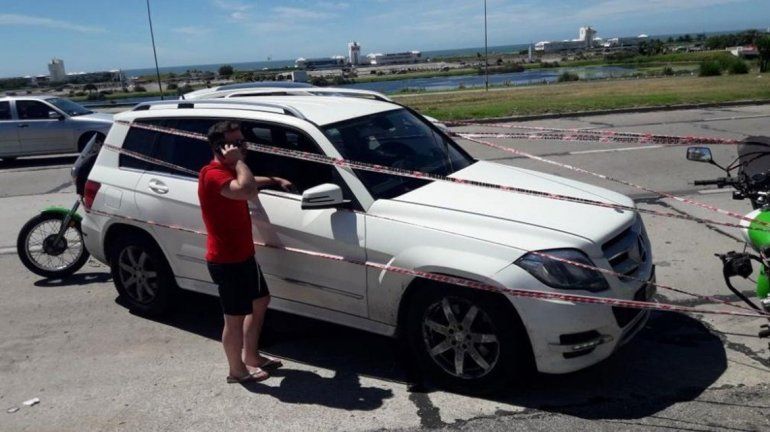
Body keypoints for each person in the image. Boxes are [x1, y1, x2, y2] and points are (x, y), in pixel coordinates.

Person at [198, 120, 294, 384]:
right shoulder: (212, 174)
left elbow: (248, 182)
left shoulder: (226, 171)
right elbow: (247, 189)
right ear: (221, 148)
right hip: (226, 261)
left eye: (243, 141)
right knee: (234, 318)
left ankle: (252, 356)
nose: (244, 146)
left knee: (261, 301)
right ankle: (236, 370)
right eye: (237, 143)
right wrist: (239, 160)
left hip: (243, 256)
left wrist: (273, 180)